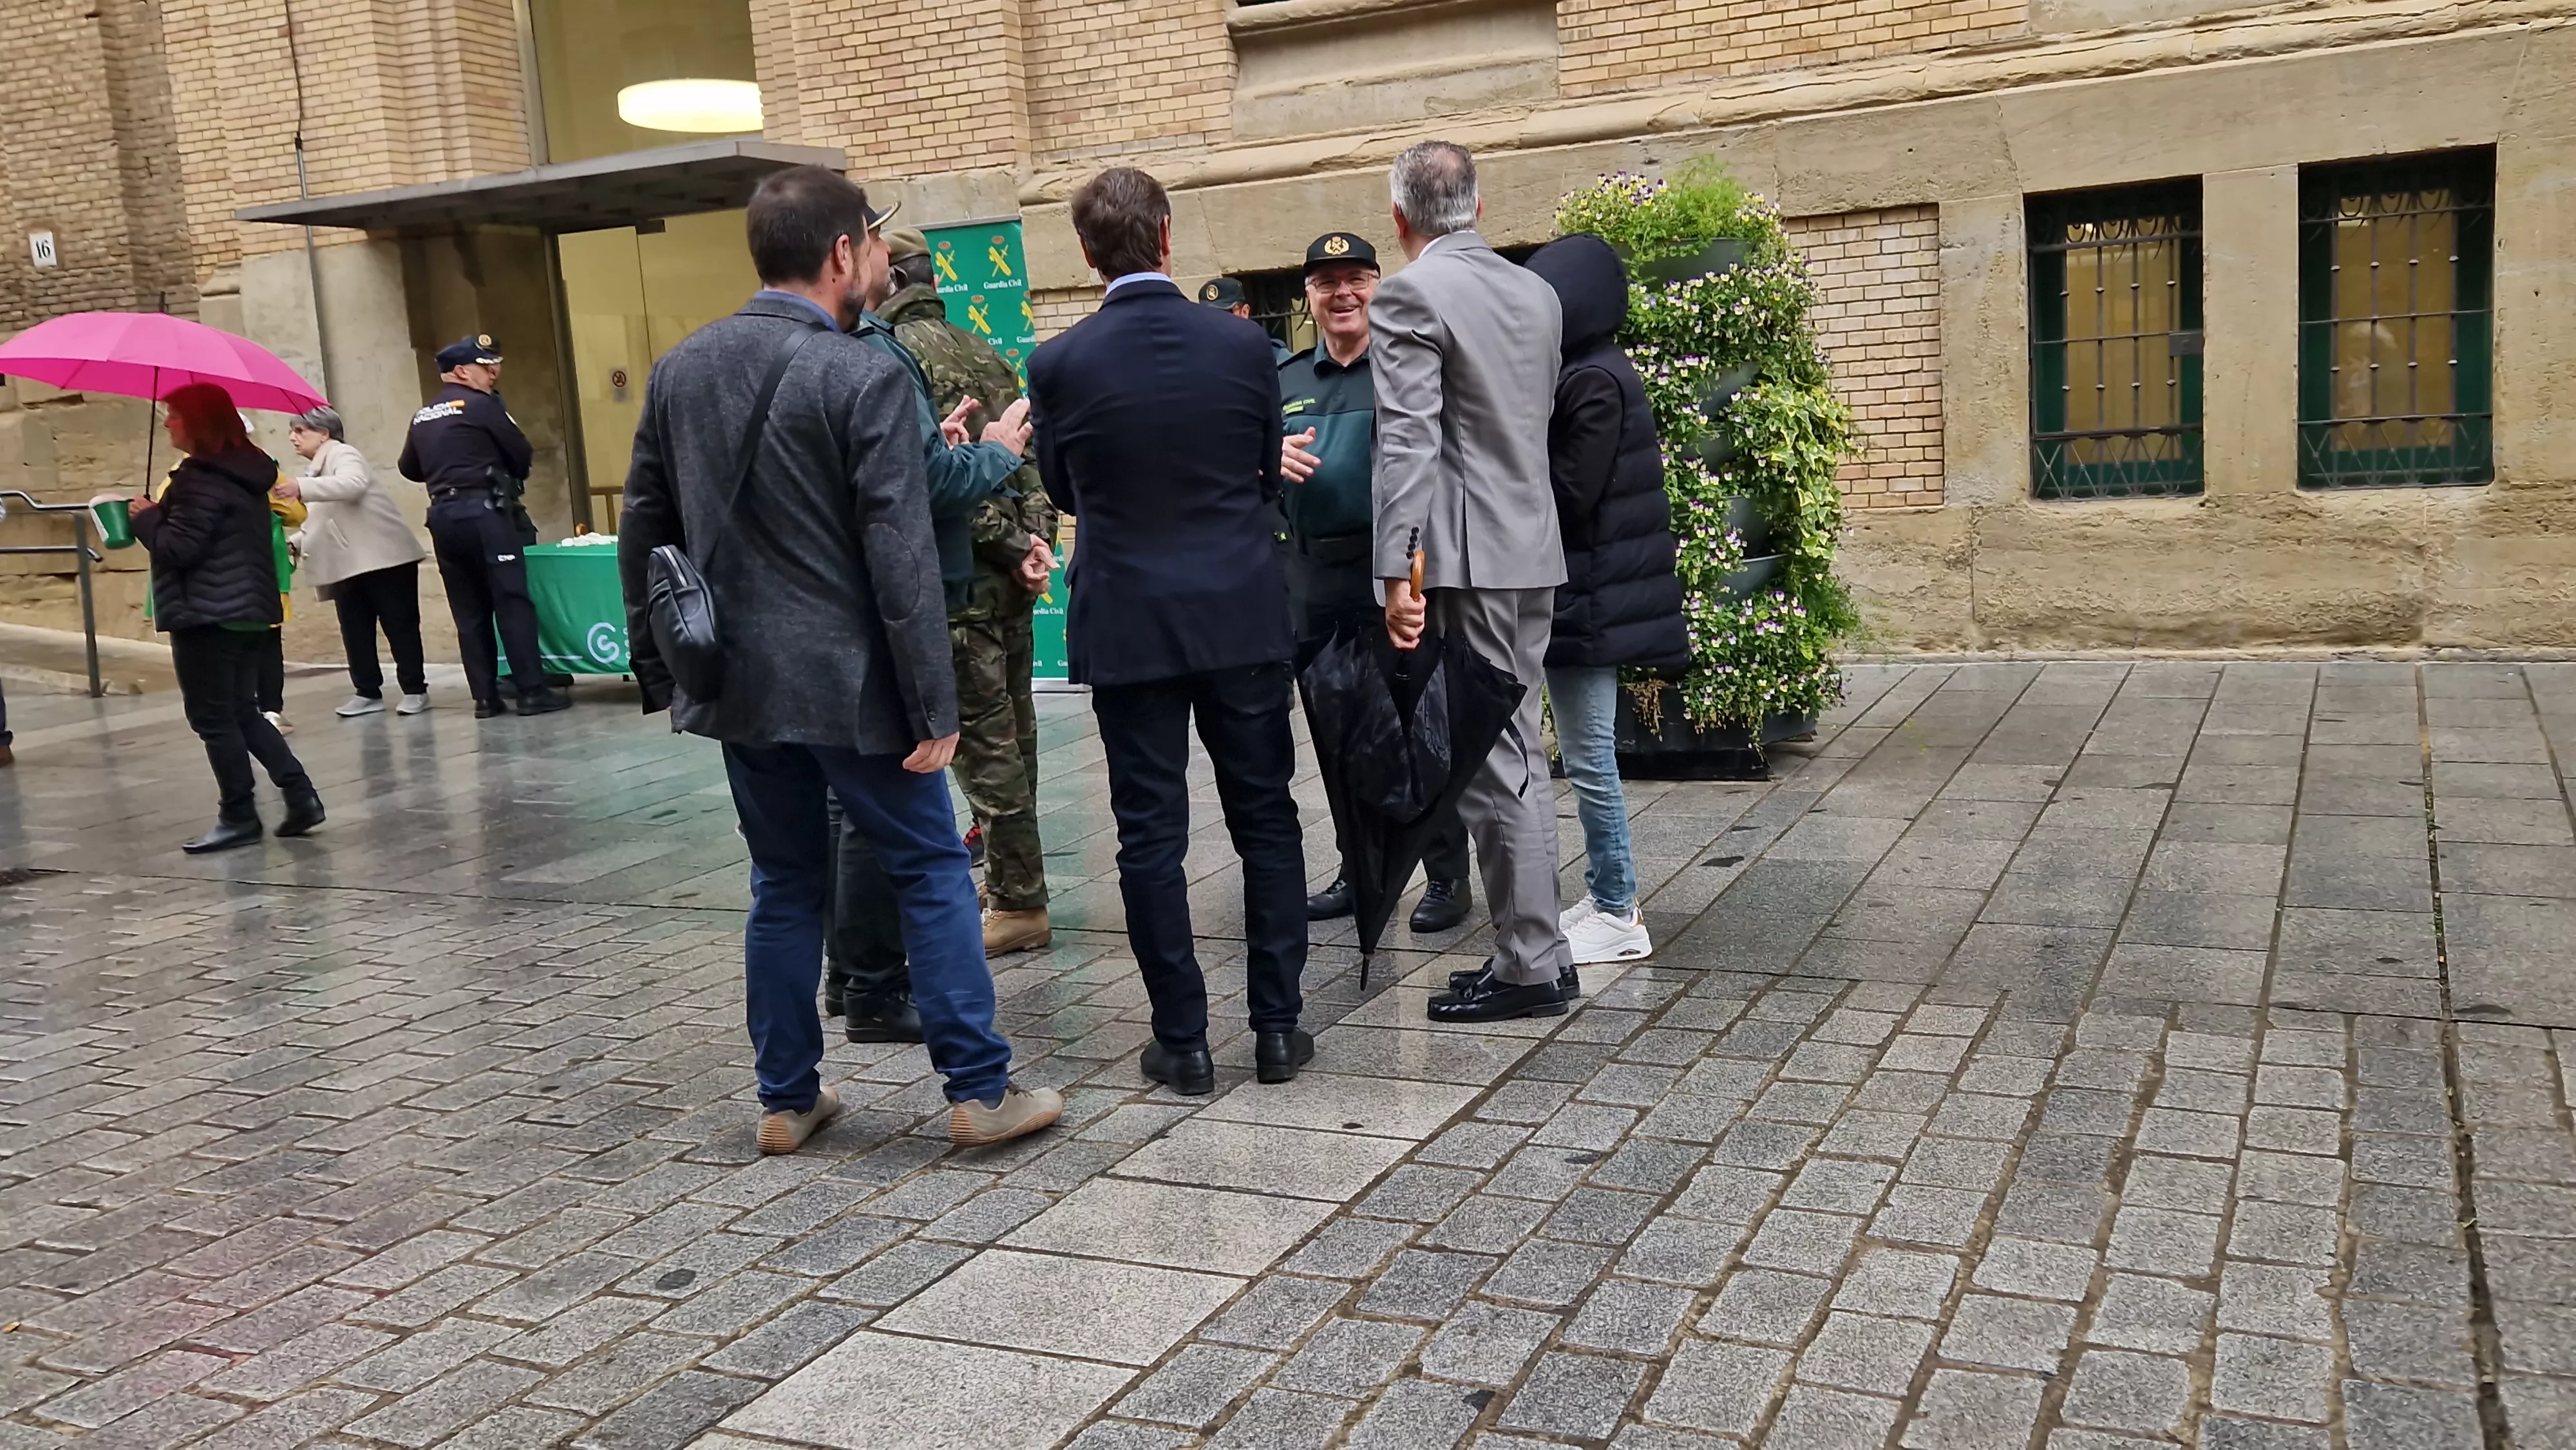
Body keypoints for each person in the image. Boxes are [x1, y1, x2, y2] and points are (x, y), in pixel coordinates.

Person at [618, 164, 1061, 1153]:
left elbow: (645, 521)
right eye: (871, 240)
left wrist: (663, 666)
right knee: (931, 868)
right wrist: (934, 705)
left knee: (783, 884)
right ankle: (979, 1090)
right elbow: (897, 549)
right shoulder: (864, 372)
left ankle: (786, 1099)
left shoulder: (683, 366)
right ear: (842, 253)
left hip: (737, 678)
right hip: (854, 683)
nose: (877, 257)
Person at [1028, 167, 1311, 1095]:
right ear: (1166, 234)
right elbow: (1264, 469)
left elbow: (1064, 490)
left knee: (1150, 835)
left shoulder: (1058, 362)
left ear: (1086, 252)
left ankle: (1182, 1042)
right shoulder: (1241, 346)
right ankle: (1278, 1028)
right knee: (1265, 818)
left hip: (1129, 618)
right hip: (1239, 611)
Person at [816, 213, 1033, 1044]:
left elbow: (910, 478)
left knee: (862, 804)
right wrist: (1025, 530)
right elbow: (932, 482)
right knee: (956, 788)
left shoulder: (856, 347)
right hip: (944, 597)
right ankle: (894, 990)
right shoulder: (899, 350)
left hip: (919, 597)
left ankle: (860, 975)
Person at [1371, 141, 1575, 1024]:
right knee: (1517, 748)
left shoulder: (1410, 293)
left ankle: (1529, 963)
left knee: (1497, 762)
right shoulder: (1538, 293)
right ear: (1479, 208)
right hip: (1530, 547)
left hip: (1470, 558)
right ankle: (1541, 953)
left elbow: (1409, 439)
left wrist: (1396, 567)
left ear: (1400, 218)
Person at [1276, 230, 1473, 936]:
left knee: (1419, 721)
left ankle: (1446, 874)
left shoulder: (1405, 366)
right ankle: (1359, 871)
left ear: (1377, 286)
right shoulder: (1285, 382)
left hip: (1397, 572)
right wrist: (1267, 457)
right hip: (1314, 575)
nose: (1343, 294)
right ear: (1308, 296)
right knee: (1337, 731)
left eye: (1357, 279)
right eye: (1326, 283)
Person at [882, 227, 1057, 956]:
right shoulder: (981, 348)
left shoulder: (894, 355)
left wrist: (1011, 546)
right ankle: (1016, 884)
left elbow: (939, 478)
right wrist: (1035, 542)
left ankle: (1018, 902)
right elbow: (1026, 457)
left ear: (892, 279)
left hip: (962, 583)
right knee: (1017, 738)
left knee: (986, 749)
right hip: (1010, 582)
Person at [1526, 234, 1689, 966]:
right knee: (1587, 753)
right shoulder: (1591, 369)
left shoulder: (1591, 379)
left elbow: (1571, 492)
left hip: (1587, 597)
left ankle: (1619, 909)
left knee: (1590, 758)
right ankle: (1606, 894)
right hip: (1587, 591)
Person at [120, 382, 323, 853]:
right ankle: (300, 795)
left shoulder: (199, 477)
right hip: (248, 609)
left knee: (213, 718)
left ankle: (239, 816)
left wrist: (147, 518)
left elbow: (180, 548)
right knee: (242, 711)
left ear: (199, 423)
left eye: (174, 415)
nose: (167, 424)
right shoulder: (247, 470)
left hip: (208, 612)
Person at [399, 334, 570, 720]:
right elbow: (521, 454)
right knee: (511, 601)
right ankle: (531, 692)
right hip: (485, 513)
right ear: (462, 372)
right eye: (485, 366)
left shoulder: (423, 415)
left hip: (443, 517)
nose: (494, 373)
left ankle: (485, 699)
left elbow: (408, 468)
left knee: (469, 610)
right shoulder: (482, 406)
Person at [287, 406, 431, 717]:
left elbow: (353, 484)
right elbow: (323, 516)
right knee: (355, 630)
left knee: (400, 626)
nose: (293, 438)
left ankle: (415, 690)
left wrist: (300, 487)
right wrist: (296, 541)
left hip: (385, 558)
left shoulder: (342, 453)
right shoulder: (318, 466)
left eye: (300, 431)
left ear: (324, 433)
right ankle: (367, 691)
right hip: (349, 562)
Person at [1200, 276, 1291, 363]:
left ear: (1245, 312)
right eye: (1209, 315)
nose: (1216, 322)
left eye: (1225, 314)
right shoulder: (1201, 360)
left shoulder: (1273, 357)